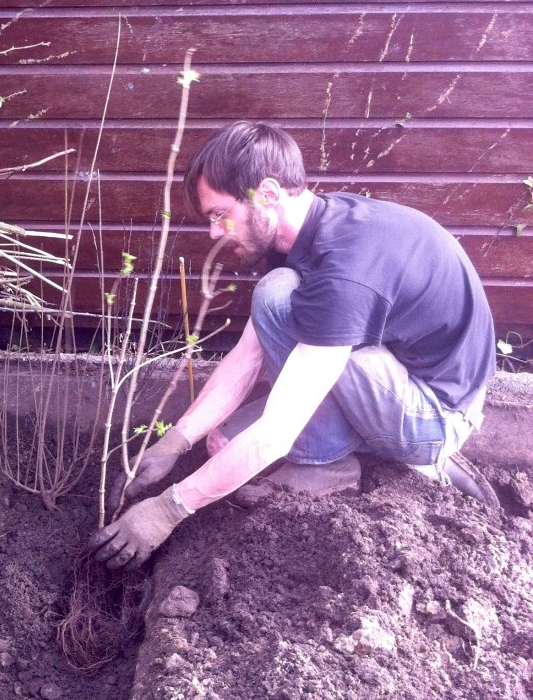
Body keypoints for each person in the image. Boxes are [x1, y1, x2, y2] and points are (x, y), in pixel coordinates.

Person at [90, 121, 498, 569]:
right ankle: (350, 449)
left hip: (433, 411)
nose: (213, 233)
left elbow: (276, 434)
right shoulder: (303, 237)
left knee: (268, 400)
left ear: (266, 194)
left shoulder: (346, 269)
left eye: (218, 214)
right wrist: (177, 441)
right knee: (223, 441)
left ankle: (341, 464)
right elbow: (246, 356)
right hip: (393, 376)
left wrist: (168, 510)